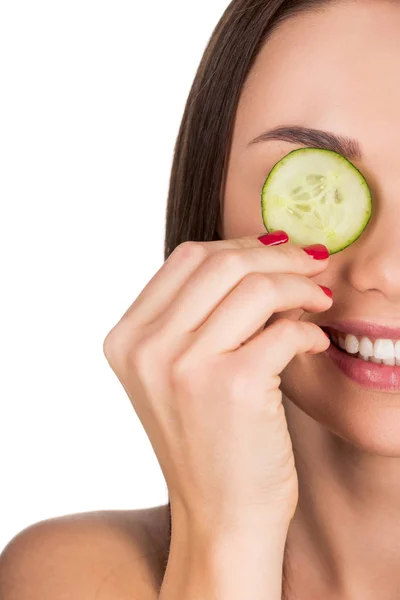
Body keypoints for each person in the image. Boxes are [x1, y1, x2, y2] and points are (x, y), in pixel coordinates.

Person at [1, 0, 400, 597]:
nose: (389, 270)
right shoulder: (75, 577)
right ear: (210, 209)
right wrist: (225, 540)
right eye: (316, 182)